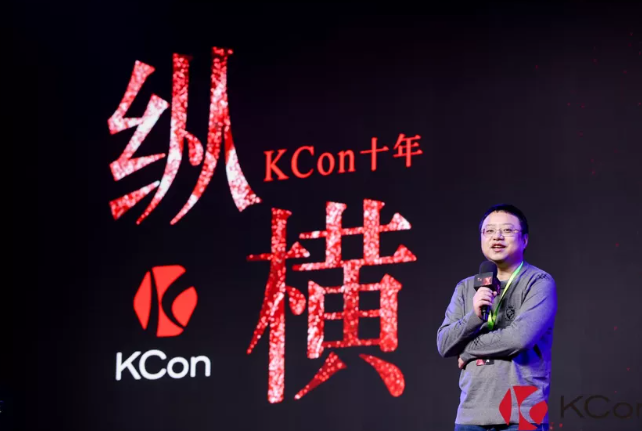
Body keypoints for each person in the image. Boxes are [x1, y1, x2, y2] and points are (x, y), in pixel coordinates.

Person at [437, 204, 557, 431]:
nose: (497, 237)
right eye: (489, 231)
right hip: (470, 414)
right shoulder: (465, 287)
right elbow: (444, 343)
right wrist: (474, 316)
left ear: (524, 240)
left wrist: (467, 351)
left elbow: (519, 338)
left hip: (521, 414)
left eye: (507, 230)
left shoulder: (539, 281)